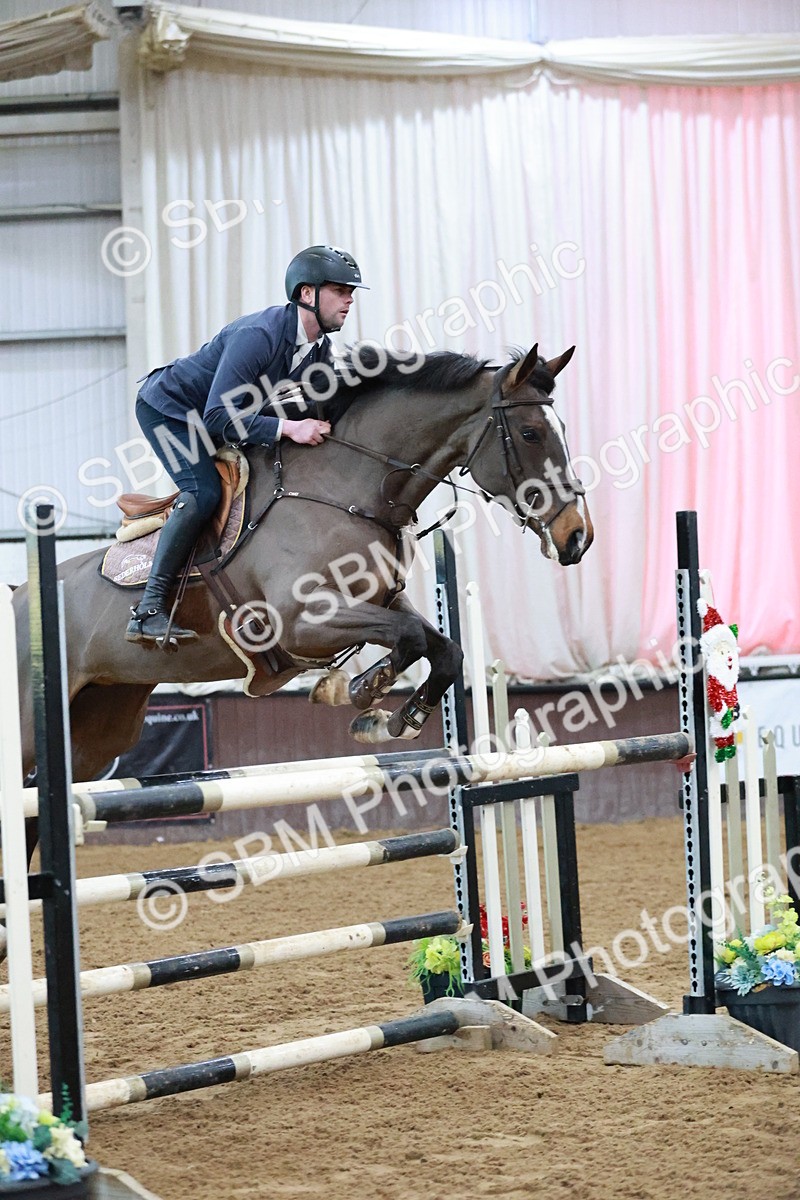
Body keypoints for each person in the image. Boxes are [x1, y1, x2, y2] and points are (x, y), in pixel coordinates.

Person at [125, 244, 367, 646]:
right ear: (307, 294)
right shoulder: (258, 336)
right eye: (341, 290)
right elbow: (218, 417)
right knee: (202, 492)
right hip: (168, 410)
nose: (350, 300)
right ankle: (148, 610)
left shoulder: (319, 350)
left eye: (351, 292)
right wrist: (290, 429)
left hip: (211, 414)